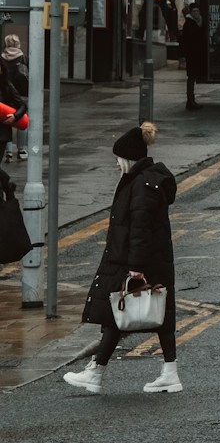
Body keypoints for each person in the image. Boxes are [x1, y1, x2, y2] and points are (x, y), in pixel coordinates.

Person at [64, 122, 182, 394]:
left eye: (118, 158)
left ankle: (96, 373)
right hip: (147, 259)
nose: (117, 164)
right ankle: (168, 373)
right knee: (151, 314)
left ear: (128, 157)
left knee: (118, 314)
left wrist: (136, 268)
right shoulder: (144, 180)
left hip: (138, 262)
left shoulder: (142, 184)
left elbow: (140, 227)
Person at [0, 34, 26, 162]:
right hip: (18, 93)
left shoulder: (2, 57)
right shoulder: (22, 57)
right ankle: (21, 149)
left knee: (5, 120)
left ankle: (8, 152)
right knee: (21, 119)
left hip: (4, 94)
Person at [179, 5, 207, 111]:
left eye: (197, 11)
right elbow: (187, 40)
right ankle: (190, 100)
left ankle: (191, 100)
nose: (196, 13)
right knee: (191, 77)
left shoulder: (200, 22)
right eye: (194, 11)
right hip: (192, 54)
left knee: (193, 77)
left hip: (198, 53)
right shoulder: (189, 24)